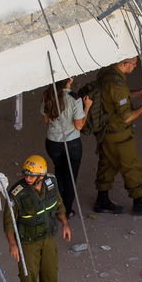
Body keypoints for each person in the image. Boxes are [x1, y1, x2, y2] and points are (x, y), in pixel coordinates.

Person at [4, 154, 72, 282]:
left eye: (31, 175)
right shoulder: (16, 193)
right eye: (25, 174)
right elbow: (8, 221)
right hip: (28, 241)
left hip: (48, 237)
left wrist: (64, 224)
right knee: (28, 277)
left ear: (41, 176)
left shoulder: (51, 183)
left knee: (50, 273)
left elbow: (58, 203)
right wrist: (12, 244)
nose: (27, 178)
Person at [92, 56, 142, 216]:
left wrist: (141, 92)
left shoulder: (108, 73)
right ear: (125, 63)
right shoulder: (117, 86)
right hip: (119, 133)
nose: (135, 66)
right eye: (134, 64)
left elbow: (117, 99)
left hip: (106, 131)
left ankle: (102, 200)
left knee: (107, 164)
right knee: (131, 165)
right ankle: (139, 201)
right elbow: (126, 117)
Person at [42, 79, 90, 218]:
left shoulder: (48, 95)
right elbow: (79, 126)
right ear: (69, 80)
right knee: (70, 178)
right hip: (71, 143)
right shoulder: (75, 99)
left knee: (59, 173)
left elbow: (45, 120)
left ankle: (57, 205)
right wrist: (87, 107)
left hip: (52, 142)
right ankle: (66, 210)